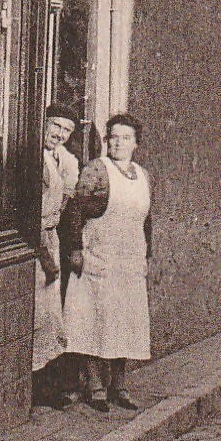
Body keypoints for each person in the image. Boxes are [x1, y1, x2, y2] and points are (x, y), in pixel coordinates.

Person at [61, 114, 152, 413]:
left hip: (129, 261)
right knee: (94, 320)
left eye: (126, 138)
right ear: (107, 140)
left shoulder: (143, 175)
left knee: (124, 322)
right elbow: (75, 212)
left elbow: (145, 220)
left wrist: (146, 256)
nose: (119, 143)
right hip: (99, 259)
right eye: (114, 136)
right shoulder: (97, 171)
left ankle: (119, 385)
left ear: (135, 143)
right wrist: (76, 250)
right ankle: (95, 386)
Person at [34, 104, 80, 409]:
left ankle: (46, 388)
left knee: (52, 315)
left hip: (52, 236)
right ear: (44, 123)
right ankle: (36, 388)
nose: (59, 134)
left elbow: (65, 198)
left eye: (66, 130)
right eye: (55, 126)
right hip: (35, 239)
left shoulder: (64, 159)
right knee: (39, 313)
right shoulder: (34, 157)